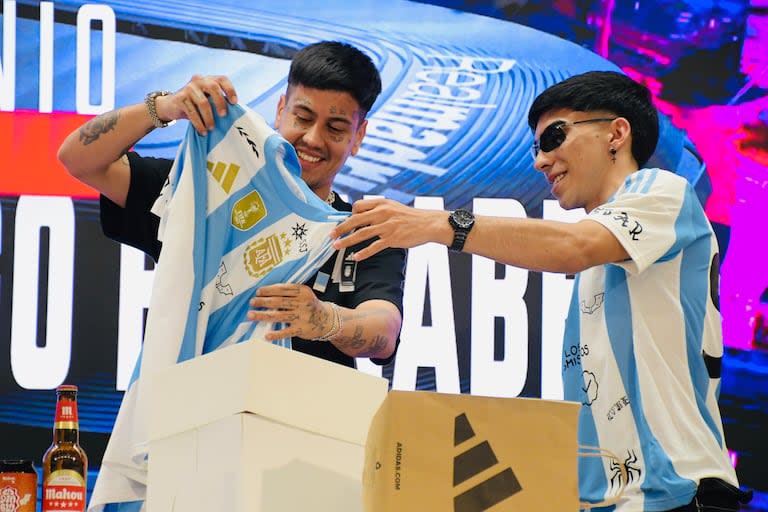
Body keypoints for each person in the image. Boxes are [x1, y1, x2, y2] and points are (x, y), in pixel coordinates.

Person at [331, 71, 751, 511]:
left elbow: (573, 246)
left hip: (679, 496)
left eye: (554, 136)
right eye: (536, 148)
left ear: (617, 132)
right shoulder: (595, 271)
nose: (540, 161)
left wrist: (437, 225)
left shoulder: (660, 191)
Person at [58, 40, 405, 369]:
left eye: (336, 128)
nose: (313, 138)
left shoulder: (366, 232)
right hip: (191, 419)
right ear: (281, 109)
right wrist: (165, 107)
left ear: (358, 137)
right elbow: (78, 159)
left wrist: (326, 319)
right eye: (302, 117)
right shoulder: (204, 194)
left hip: (310, 425)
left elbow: (384, 331)